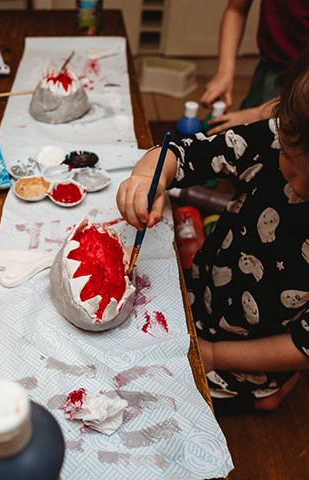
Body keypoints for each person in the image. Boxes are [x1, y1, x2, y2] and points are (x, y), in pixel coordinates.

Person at [117, 47, 309, 413]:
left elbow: (303, 345)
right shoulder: (274, 138)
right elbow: (185, 154)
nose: (296, 186)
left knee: (164, 392)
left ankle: (270, 389)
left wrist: (216, 355)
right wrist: (148, 178)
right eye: (288, 157)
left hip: (254, 347)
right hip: (208, 289)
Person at [200, 0, 309, 136]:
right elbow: (236, 9)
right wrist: (225, 72)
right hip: (269, 66)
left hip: (303, 79)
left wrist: (257, 114)